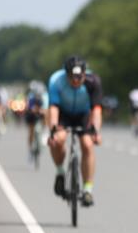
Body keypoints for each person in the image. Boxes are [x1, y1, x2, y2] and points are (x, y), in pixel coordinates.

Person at [47, 55, 103, 206]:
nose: (76, 81)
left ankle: (87, 190)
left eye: (80, 77)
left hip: (83, 115)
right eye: (72, 77)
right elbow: (53, 108)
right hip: (63, 113)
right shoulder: (56, 81)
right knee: (58, 140)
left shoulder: (93, 82)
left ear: (85, 74)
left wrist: (96, 131)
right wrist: (52, 129)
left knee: (87, 144)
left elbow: (96, 110)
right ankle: (60, 172)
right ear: (66, 75)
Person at [24, 81, 46, 158]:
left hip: (40, 114)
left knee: (45, 115)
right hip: (32, 115)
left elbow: (46, 108)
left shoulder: (44, 97)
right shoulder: (30, 97)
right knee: (31, 130)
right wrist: (30, 109)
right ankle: (30, 149)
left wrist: (42, 111)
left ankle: (44, 131)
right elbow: (27, 107)